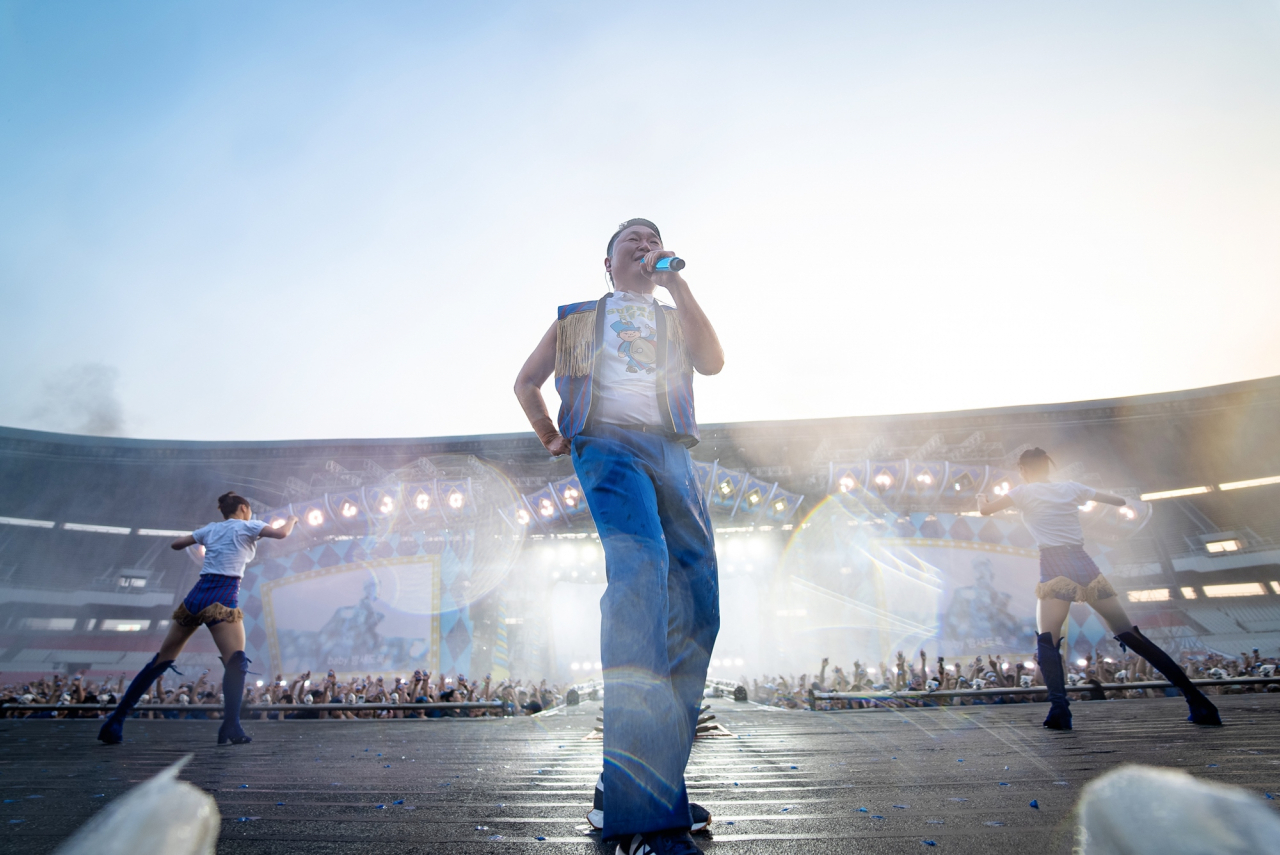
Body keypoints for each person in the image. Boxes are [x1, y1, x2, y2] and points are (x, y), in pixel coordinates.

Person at [514, 218, 723, 855]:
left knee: (699, 605)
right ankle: (641, 820)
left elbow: (712, 362)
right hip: (606, 446)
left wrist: (678, 285)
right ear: (607, 262)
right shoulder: (578, 318)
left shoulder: (672, 316)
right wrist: (552, 437)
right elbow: (526, 381)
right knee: (640, 578)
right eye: (630, 238)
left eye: (652, 237)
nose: (643, 243)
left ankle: (636, 784)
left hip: (669, 450)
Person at [978, 447, 1220, 730]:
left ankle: (1060, 710)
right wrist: (1085, 495)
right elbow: (1117, 500)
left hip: (1055, 564)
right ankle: (1197, 699)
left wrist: (980, 495)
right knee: (1130, 634)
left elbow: (984, 510)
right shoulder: (1071, 488)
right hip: (1084, 562)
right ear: (1048, 467)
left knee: (1047, 640)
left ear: (1023, 469)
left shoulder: (1021, 492)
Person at [97, 491, 296, 745]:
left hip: (195, 598)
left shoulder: (211, 529)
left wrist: (202, 539)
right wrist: (291, 520)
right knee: (236, 662)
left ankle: (115, 720)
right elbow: (282, 534)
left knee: (161, 660)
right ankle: (231, 726)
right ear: (244, 508)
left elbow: (176, 544)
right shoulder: (249, 526)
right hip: (222, 597)